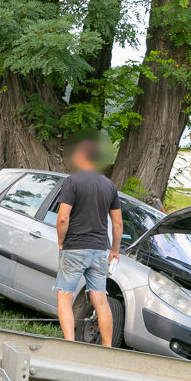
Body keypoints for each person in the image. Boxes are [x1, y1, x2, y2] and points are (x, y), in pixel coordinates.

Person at [54, 140, 122, 346]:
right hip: (100, 249)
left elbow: (63, 217)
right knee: (100, 300)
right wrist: (114, 250)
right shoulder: (109, 185)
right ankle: (107, 347)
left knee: (64, 296)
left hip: (75, 247)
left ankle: (70, 345)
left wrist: (60, 241)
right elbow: (117, 223)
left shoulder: (72, 182)